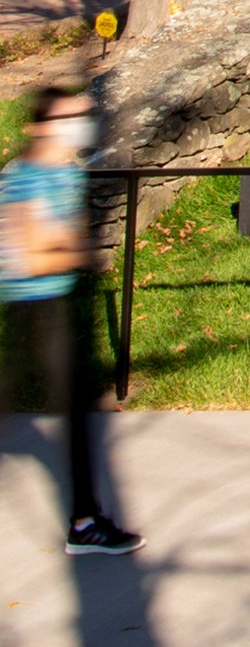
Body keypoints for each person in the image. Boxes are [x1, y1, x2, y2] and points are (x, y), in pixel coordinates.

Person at [1, 82, 140, 555]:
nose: (81, 124)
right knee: (70, 410)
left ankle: (85, 518)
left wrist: (65, 244)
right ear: (40, 127)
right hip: (34, 307)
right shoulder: (25, 176)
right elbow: (38, 256)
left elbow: (69, 244)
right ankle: (83, 524)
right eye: (69, 117)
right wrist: (65, 245)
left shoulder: (68, 172)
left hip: (59, 301)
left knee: (74, 410)